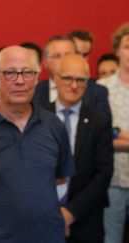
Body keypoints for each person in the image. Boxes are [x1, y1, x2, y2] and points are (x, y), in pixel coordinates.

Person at [0, 45, 75, 242]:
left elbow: (60, 180)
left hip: (48, 237)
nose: (20, 81)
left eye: (27, 73)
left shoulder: (54, 125)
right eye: (10, 73)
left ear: (37, 78)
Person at [46, 54, 113, 242]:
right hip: (42, 218)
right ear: (56, 78)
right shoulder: (38, 117)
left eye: (80, 80)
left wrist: (71, 212)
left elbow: (104, 173)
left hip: (86, 220)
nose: (73, 85)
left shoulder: (99, 122)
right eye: (67, 78)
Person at [98, 22, 129, 243]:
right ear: (117, 50)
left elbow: (112, 134)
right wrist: (114, 136)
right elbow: (99, 136)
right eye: (128, 46)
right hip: (113, 181)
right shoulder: (102, 88)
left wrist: (117, 135)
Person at [33, 35, 111, 117]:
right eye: (57, 56)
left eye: (68, 55)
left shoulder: (97, 93)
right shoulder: (34, 92)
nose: (63, 61)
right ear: (45, 61)